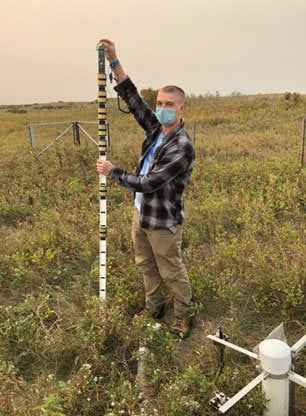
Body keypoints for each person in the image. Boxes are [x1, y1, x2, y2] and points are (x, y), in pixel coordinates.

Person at [96, 38, 195, 339]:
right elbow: (133, 99)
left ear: (181, 108)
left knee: (171, 269)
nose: (163, 108)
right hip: (141, 213)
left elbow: (151, 183)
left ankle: (182, 316)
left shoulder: (183, 146)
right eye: (161, 103)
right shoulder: (156, 129)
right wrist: (114, 61)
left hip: (162, 220)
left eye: (169, 105)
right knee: (145, 264)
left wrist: (114, 173)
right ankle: (155, 305)